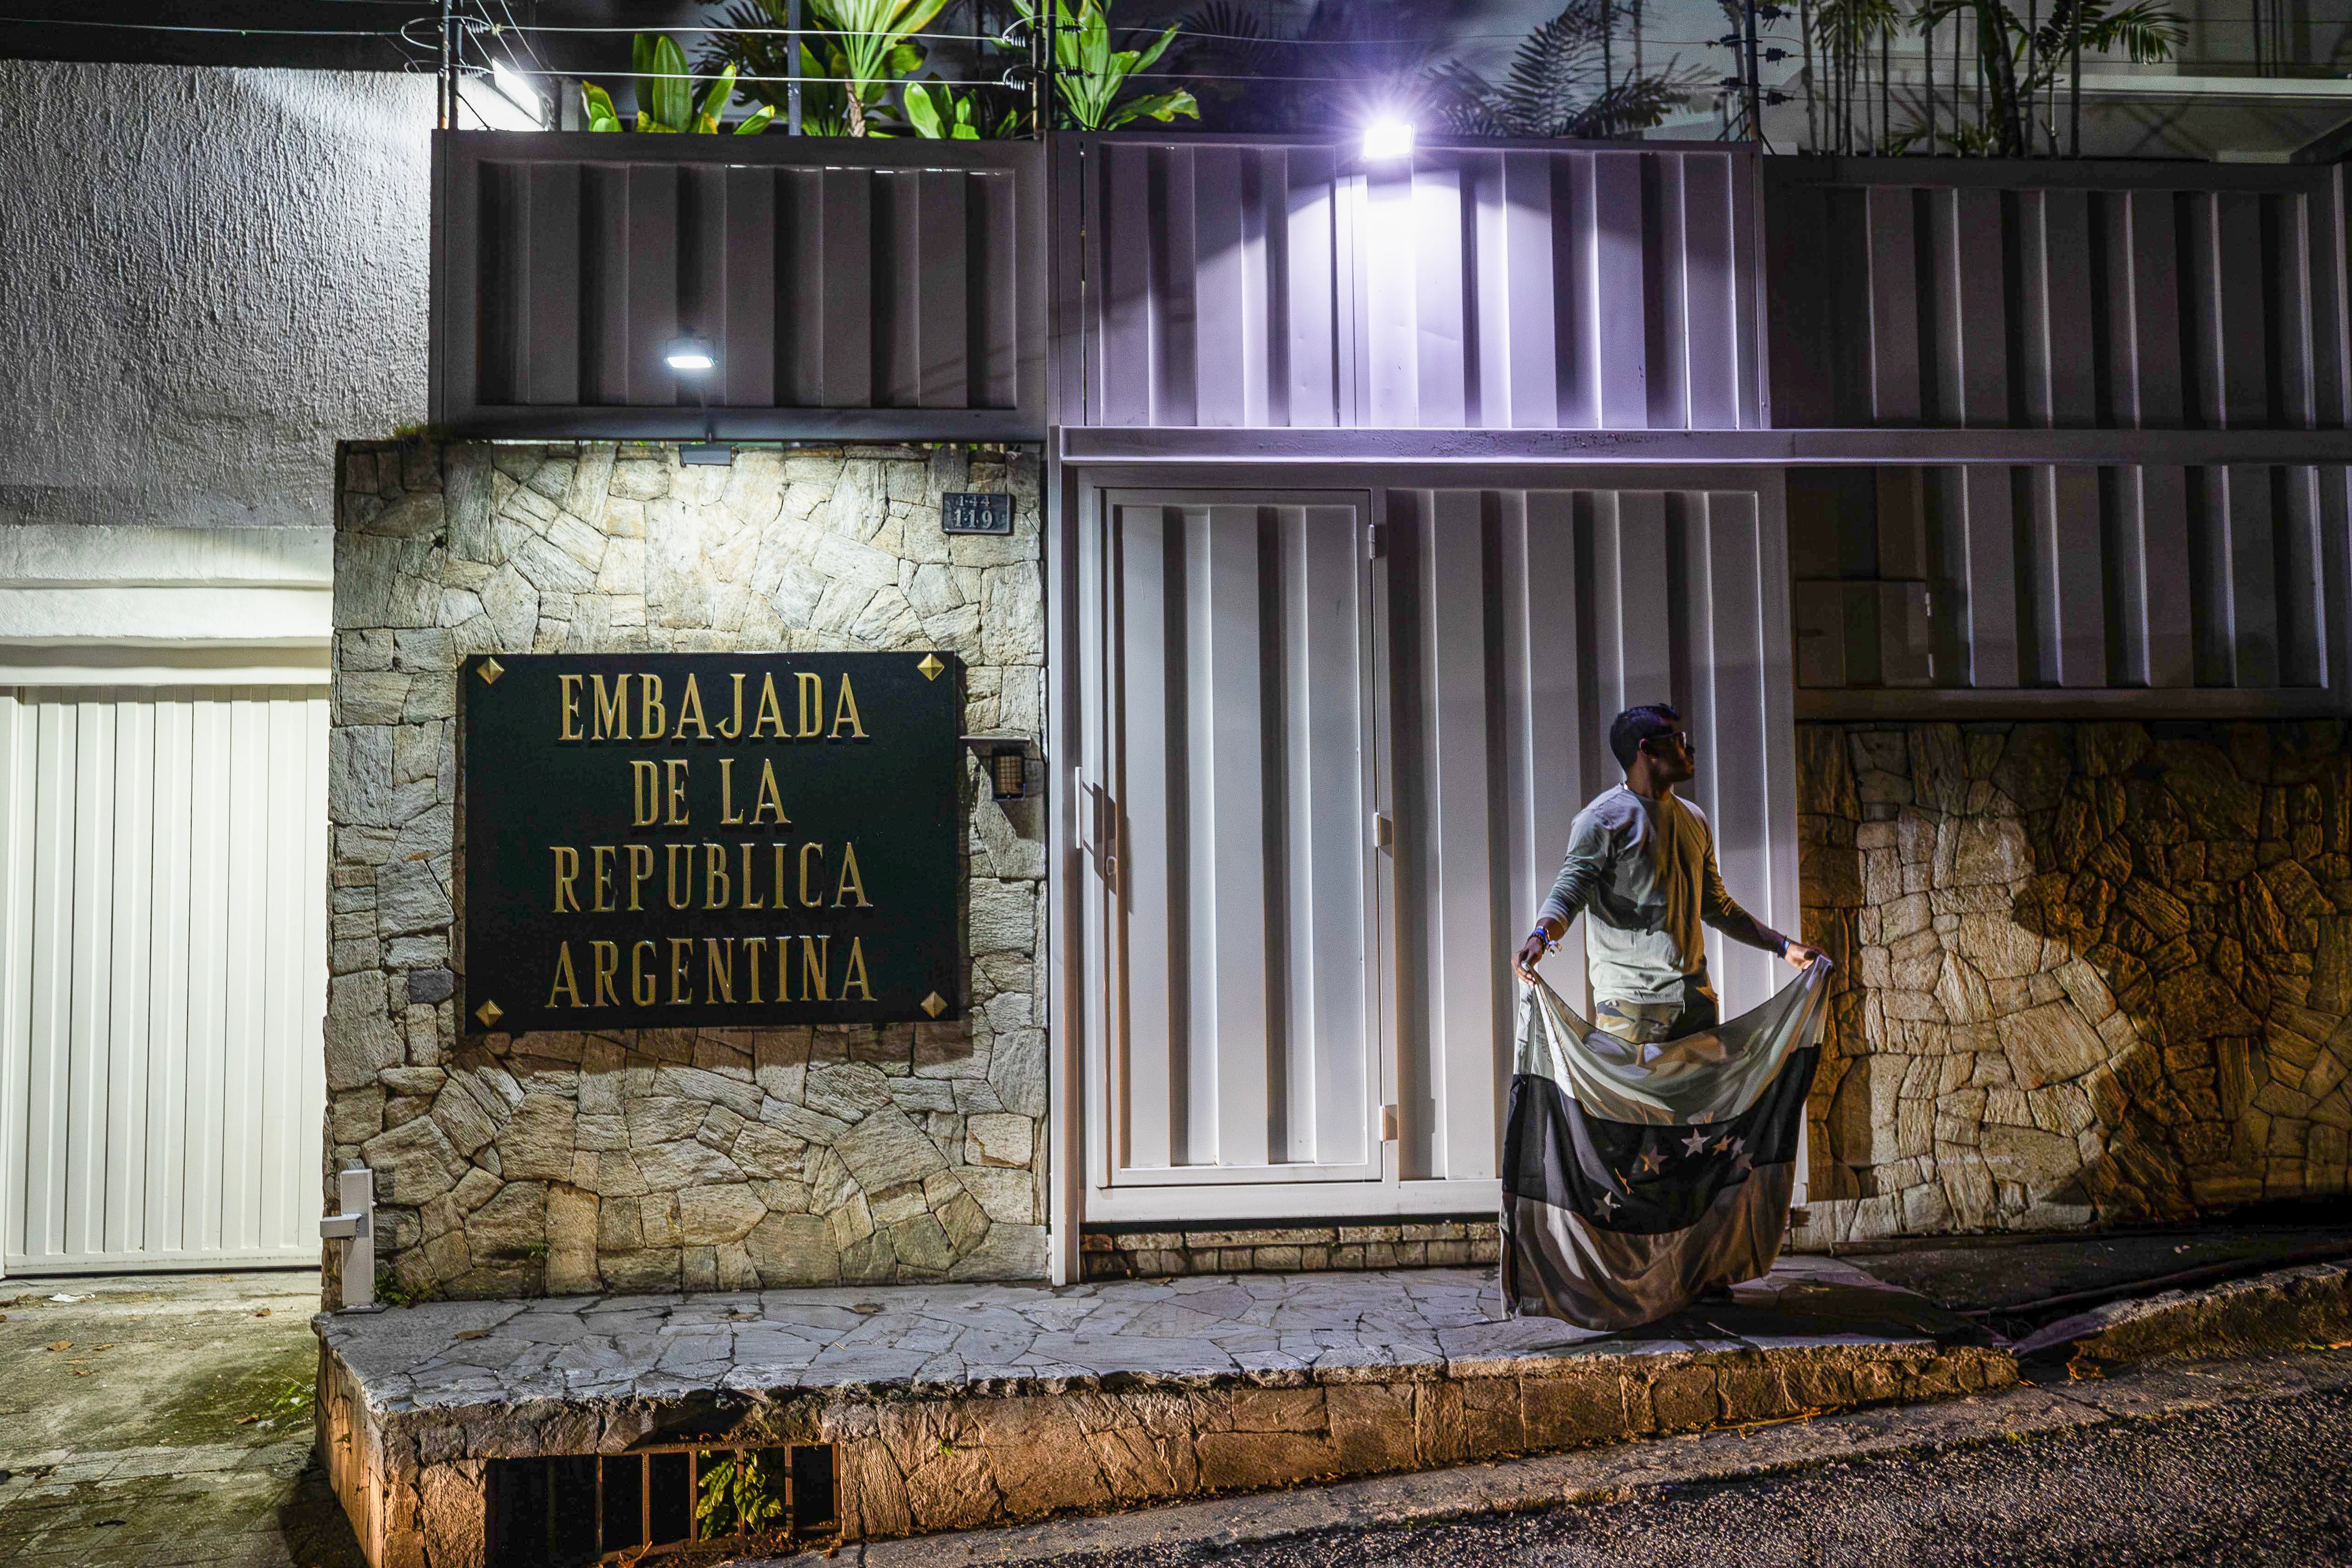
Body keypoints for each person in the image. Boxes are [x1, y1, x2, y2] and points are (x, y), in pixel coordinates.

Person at [1512, 703, 1825, 1045]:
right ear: (1647, 750)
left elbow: (1717, 907)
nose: (1689, 749)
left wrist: (1784, 947)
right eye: (1679, 739)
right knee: (1641, 1102)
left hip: (1696, 1004)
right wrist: (1539, 939)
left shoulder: (1694, 819)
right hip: (1634, 1009)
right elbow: (1568, 894)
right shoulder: (1602, 820)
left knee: (1707, 1100)